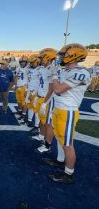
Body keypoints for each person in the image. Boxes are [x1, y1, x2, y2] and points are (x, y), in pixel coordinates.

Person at [46, 43, 90, 184]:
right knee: (59, 139)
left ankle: (69, 175)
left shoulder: (81, 72)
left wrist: (54, 76)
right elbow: (55, 88)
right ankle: (60, 161)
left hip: (68, 111)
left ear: (73, 56)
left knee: (67, 144)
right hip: (59, 109)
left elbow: (58, 89)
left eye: (64, 54)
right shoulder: (65, 71)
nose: (61, 57)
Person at [31, 48, 57, 142]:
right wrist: (37, 96)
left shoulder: (52, 69)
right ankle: (41, 136)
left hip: (46, 99)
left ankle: (46, 142)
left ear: (48, 58)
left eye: (42, 58)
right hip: (41, 96)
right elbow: (40, 84)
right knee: (42, 120)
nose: (40, 60)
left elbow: (52, 88)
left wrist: (45, 102)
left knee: (47, 123)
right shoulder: (44, 69)